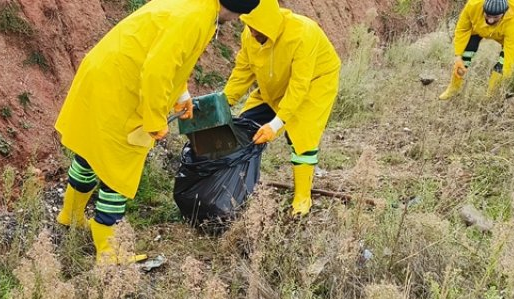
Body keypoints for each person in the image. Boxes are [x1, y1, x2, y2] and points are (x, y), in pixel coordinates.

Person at [54, 0, 261, 264]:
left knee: (91, 151)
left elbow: (171, 58)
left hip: (103, 75)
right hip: (121, 91)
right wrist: (153, 119)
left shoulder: (195, 5)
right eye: (237, 16)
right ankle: (107, 248)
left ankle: (70, 215)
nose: (234, 20)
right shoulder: (196, 19)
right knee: (120, 172)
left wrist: (182, 94)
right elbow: (156, 71)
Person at [223, 0, 340, 217]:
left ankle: (302, 198)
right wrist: (222, 103)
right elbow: (243, 72)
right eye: (248, 26)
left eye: (255, 27)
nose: (251, 32)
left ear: (268, 22)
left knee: (301, 136)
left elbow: (299, 85)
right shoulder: (250, 36)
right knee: (245, 124)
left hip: (315, 82)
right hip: (275, 84)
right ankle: (237, 188)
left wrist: (276, 124)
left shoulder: (303, 33)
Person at [439, 0, 514, 100]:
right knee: (464, 57)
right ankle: (453, 88)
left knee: (503, 64)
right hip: (479, 26)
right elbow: (462, 29)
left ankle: (490, 95)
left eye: (495, 17)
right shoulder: (473, 6)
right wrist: (458, 56)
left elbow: (511, 54)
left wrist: (505, 74)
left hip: (506, 31)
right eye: (488, 15)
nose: (490, 20)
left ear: (504, 13)